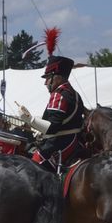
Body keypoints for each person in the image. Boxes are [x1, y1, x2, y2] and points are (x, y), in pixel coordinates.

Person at [18, 28, 84, 171]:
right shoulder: (75, 94)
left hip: (60, 144)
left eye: (48, 78)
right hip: (74, 142)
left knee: (29, 171)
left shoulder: (58, 94)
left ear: (58, 76)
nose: (46, 83)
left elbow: (53, 127)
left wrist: (29, 119)